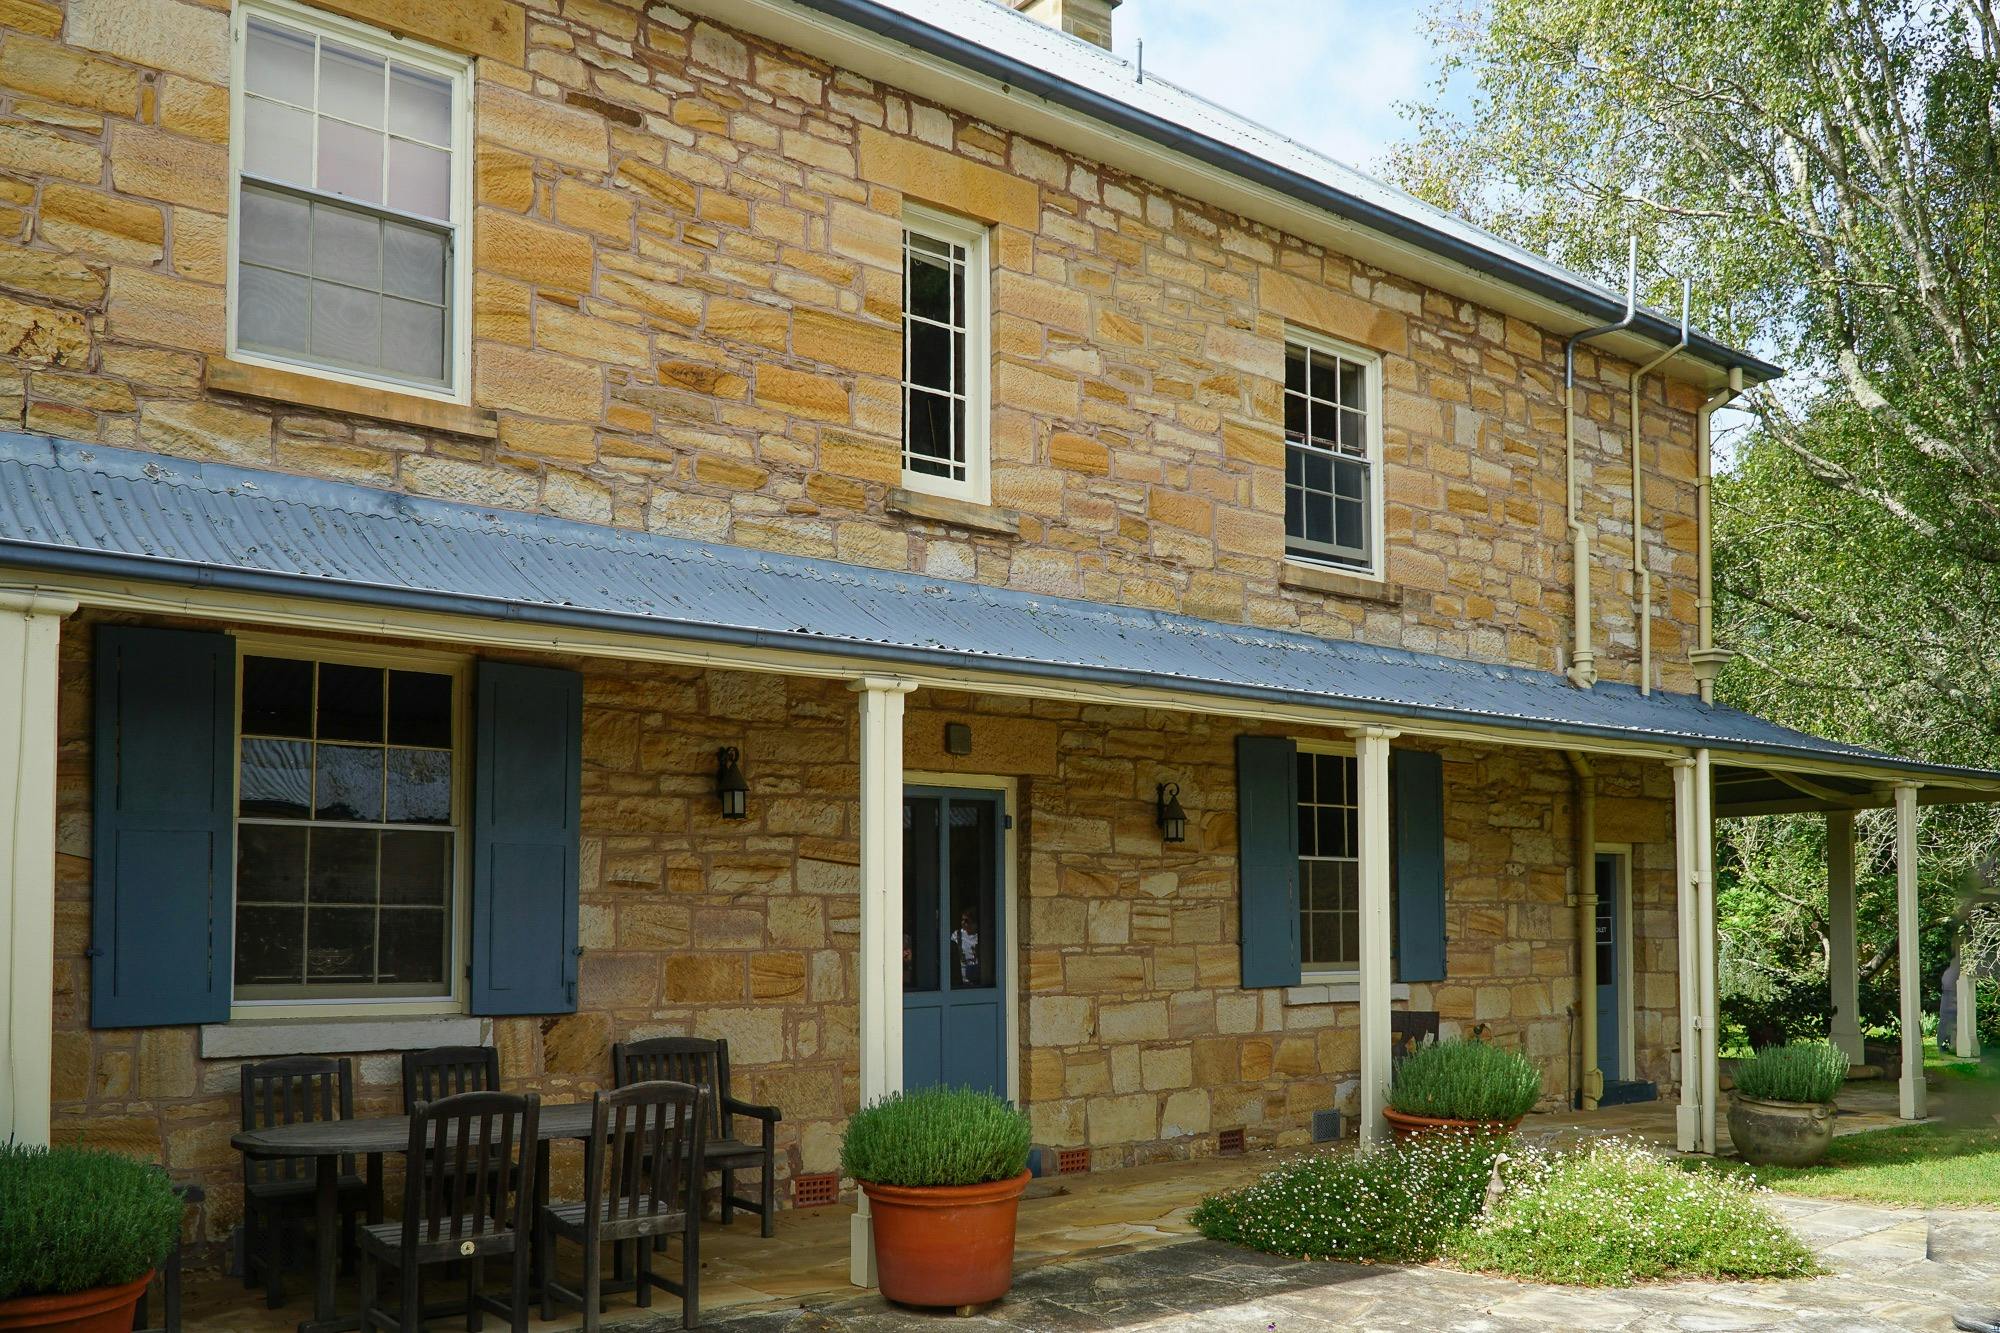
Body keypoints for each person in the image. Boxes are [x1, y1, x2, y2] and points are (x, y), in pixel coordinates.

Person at [949, 909, 980, 986]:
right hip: (962, 979)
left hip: (978, 979)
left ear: (974, 923)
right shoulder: (957, 935)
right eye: (962, 920)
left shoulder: (981, 936)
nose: (963, 923)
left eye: (967, 921)